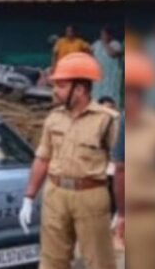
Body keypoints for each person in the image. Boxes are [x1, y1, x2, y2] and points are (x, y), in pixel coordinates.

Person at [18, 52, 119, 269]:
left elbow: (123, 164)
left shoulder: (107, 121)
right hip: (55, 194)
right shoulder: (54, 118)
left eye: (61, 86)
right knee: (51, 260)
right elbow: (42, 158)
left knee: (99, 261)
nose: (55, 90)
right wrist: (29, 197)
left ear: (80, 90)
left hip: (90, 195)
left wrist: (124, 209)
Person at [119, 51, 155, 269]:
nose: (129, 98)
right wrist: (121, 216)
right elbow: (120, 171)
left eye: (132, 92)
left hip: (153, 218)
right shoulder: (123, 124)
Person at [91, 26, 124, 107]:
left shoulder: (116, 44)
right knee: (96, 97)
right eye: (101, 34)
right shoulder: (96, 44)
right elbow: (90, 53)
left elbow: (112, 54)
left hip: (111, 78)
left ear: (110, 35)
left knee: (111, 98)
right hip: (98, 77)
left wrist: (105, 43)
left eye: (104, 35)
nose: (102, 37)